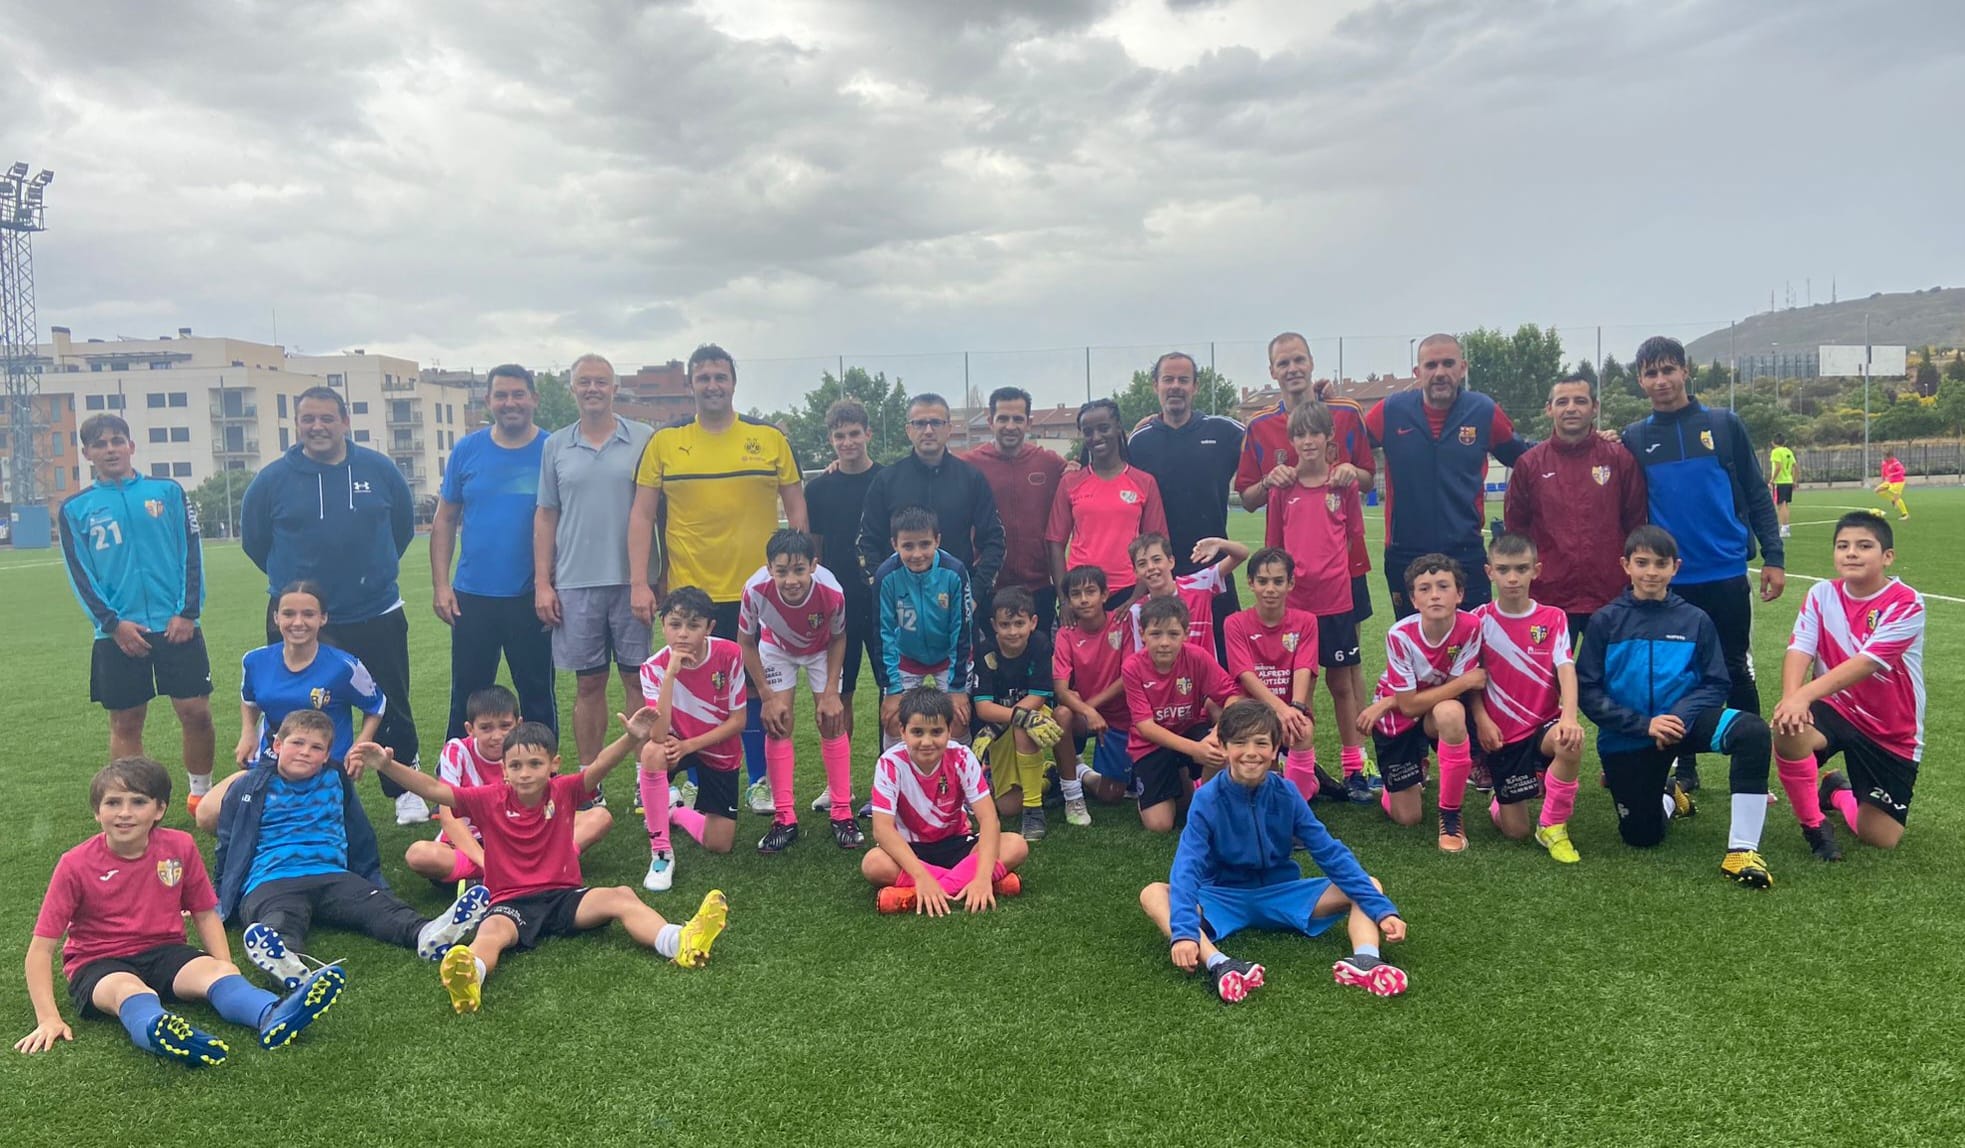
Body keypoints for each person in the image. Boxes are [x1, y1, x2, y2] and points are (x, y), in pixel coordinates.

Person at [347, 714, 730, 1013]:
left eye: (534, 763)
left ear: (553, 764)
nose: (525, 773)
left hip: (564, 898)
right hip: (509, 903)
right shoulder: (487, 799)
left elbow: (599, 767)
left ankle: (679, 941)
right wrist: (387, 766)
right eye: (516, 766)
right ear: (504, 770)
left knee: (621, 896)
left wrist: (631, 738)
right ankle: (469, 978)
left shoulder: (564, 790)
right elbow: (434, 789)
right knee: (490, 934)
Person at [18, 757, 343, 1065]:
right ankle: (159, 1029)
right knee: (128, 990)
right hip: (99, 963)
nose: (124, 813)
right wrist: (48, 1018)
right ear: (97, 812)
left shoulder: (179, 846)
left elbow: (204, 913)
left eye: (138, 802)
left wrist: (226, 966)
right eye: (113, 803)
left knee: (217, 975)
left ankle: (273, 1014)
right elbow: (41, 950)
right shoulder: (75, 864)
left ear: (159, 809)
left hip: (166, 952)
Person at [629, 344, 807, 816]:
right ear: (691, 384)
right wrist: (639, 582)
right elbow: (642, 513)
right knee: (692, 689)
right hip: (691, 596)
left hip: (759, 592)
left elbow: (796, 507)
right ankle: (693, 780)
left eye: (720, 377)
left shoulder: (768, 439)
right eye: (703, 377)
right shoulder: (665, 443)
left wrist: (800, 574)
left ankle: (760, 781)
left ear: (733, 382)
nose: (712, 385)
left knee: (757, 688)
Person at [241, 385, 425, 824]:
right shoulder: (271, 479)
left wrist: (371, 574)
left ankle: (404, 786)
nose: (318, 427)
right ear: (297, 424)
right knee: (294, 705)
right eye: (308, 419)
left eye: (327, 418)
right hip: (302, 617)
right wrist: (299, 593)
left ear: (345, 421)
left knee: (391, 700)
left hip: (374, 609)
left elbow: (400, 530)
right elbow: (255, 542)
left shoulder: (379, 470)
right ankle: (289, 787)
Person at [1139, 703, 1408, 1004]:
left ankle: (1366, 960)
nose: (1251, 753)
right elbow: (1187, 867)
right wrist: (1184, 933)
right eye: (1240, 743)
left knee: (1370, 885)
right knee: (1153, 893)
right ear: (1224, 748)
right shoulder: (1206, 799)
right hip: (1225, 897)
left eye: (1261, 743)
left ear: (1275, 749)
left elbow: (1329, 852)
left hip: (1282, 894)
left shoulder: (1287, 793)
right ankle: (1220, 964)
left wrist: (1383, 910)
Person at [212, 711, 490, 989]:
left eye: (316, 747)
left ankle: (426, 933)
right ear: (277, 745)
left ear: (326, 755)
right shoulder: (249, 785)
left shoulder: (335, 778)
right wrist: (220, 896)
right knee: (280, 917)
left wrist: (373, 879)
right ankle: (284, 958)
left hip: (331, 874)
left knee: (377, 907)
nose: (305, 752)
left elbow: (358, 831)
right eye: (297, 743)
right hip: (271, 879)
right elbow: (227, 842)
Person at [1619, 336, 1784, 794]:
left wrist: (1774, 556)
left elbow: (1757, 493)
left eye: (1668, 370)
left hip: (1725, 572)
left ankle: (1750, 773)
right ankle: (1684, 767)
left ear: (1685, 371)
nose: (1661, 380)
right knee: (1678, 674)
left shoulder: (1723, 424)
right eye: (1651, 373)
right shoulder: (1636, 437)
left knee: (1736, 670)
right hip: (1669, 580)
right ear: (1640, 381)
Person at [1575, 526, 1778, 888]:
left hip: (1685, 725)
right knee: (1642, 836)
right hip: (1629, 736)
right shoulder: (1605, 621)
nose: (1651, 572)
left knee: (1752, 732)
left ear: (1675, 567)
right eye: (1642, 563)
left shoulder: (1695, 620)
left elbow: (1716, 682)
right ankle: (1669, 795)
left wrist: (1679, 717)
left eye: (1661, 563)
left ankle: (1742, 850)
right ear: (1625, 565)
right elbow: (1587, 690)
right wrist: (1644, 724)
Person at [58, 413, 215, 815]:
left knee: (196, 713)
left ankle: (200, 794)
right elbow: (80, 573)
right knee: (127, 721)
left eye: (117, 441)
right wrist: (112, 624)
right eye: (100, 444)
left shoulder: (167, 491)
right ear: (87, 453)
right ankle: (133, 802)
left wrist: (187, 612)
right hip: (119, 632)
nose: (110, 449)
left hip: (176, 624)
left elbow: (191, 552)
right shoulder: (76, 508)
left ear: (131, 446)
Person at [534, 353, 655, 792]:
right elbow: (546, 514)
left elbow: (657, 511)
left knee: (638, 679)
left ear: (614, 388)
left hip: (632, 581)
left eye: (601, 382)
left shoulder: (643, 438)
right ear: (572, 389)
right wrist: (543, 583)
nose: (592, 389)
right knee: (589, 683)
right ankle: (589, 779)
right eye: (584, 382)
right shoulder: (555, 445)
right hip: (575, 582)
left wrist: (652, 578)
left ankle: (647, 775)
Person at [1772, 513, 1925, 854]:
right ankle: (1814, 825)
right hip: (1836, 708)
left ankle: (1837, 792)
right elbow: (1800, 647)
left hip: (1890, 728)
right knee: (1788, 727)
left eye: (1864, 546)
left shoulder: (1906, 602)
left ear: (1887, 556)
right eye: (1843, 546)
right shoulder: (1821, 593)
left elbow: (1867, 663)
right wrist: (1791, 698)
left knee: (1880, 838)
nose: (1851, 553)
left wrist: (1803, 696)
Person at [196, 581, 385, 834]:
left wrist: (359, 747)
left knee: (297, 827)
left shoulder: (344, 666)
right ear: (276, 618)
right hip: (269, 763)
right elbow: (249, 700)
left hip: (322, 767)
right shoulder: (255, 660)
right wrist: (248, 732)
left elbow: (376, 705)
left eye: (308, 614)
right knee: (208, 814)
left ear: (323, 618)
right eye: (288, 614)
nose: (298, 622)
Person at [1363, 333, 1531, 615]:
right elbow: (1346, 443)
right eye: (1431, 365)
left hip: (1465, 550)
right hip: (1405, 551)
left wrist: (1585, 441)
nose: (1440, 372)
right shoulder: (1391, 411)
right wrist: (1326, 404)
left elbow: (1525, 456)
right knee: (1412, 636)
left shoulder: (1483, 411)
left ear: (1462, 368)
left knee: (1471, 635)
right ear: (1417, 372)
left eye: (1448, 363)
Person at [431, 363, 555, 741]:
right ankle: (456, 771)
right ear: (488, 401)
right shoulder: (467, 449)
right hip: (473, 596)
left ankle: (541, 769)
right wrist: (441, 585)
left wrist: (551, 584)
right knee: (467, 696)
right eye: (501, 395)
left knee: (537, 694)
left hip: (531, 594)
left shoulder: (552, 449)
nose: (510, 402)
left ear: (534, 398)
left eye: (518, 394)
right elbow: (445, 518)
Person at [1268, 401, 1375, 801]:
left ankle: (1354, 768)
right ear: (1291, 441)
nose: (1308, 441)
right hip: (1296, 607)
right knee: (1301, 688)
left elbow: (1350, 537)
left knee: (1341, 684)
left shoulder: (1343, 484)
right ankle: (1301, 769)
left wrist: (1327, 573)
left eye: (1315, 432)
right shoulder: (1282, 488)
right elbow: (1275, 546)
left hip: (1336, 601)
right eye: (1300, 434)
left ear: (1329, 435)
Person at [404, 686, 613, 886]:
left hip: (522, 842)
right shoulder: (457, 750)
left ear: (518, 724)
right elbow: (449, 818)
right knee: (419, 855)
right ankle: (532, 871)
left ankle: (509, 874)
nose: (497, 736)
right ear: (470, 729)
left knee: (599, 817)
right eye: (486, 728)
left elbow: (547, 801)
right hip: (471, 845)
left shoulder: (528, 750)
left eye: (505, 726)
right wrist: (487, 862)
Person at [1238, 332, 1377, 625]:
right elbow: (1247, 500)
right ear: (1272, 371)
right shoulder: (1259, 425)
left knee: (1347, 647)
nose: (1292, 369)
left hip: (1342, 565)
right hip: (1290, 570)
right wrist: (1268, 481)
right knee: (1293, 646)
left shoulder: (1346, 413)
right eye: (1283, 363)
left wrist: (1350, 470)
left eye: (1299, 360)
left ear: (1311, 362)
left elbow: (1368, 479)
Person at [1466, 534, 1587, 863]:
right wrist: (1482, 720)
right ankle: (1503, 797)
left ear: (1536, 570)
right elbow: (1472, 681)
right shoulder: (1477, 620)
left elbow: (1566, 669)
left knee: (1569, 741)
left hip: (1544, 724)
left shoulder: (1553, 617)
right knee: (1515, 831)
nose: (1512, 578)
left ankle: (1552, 826)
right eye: (1503, 569)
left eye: (1521, 569)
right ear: (1489, 572)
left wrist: (1569, 717)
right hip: (1503, 736)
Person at [1353, 555, 1486, 849]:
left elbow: (1448, 694)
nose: (1435, 595)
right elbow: (1410, 706)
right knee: (1408, 818)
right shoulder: (1399, 635)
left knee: (1451, 712)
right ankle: (1405, 777)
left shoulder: (1471, 626)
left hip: (1429, 711)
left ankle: (1450, 816)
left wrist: (1396, 701)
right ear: (1414, 600)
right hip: (1396, 720)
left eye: (1443, 586)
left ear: (1459, 594)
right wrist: (1466, 682)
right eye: (1424, 589)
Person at [1503, 375, 1648, 640]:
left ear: (1595, 407)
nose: (1571, 408)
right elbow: (1517, 532)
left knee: (1611, 668)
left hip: (1610, 595)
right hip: (1549, 597)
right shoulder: (1529, 464)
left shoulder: (1619, 458)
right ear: (1549, 409)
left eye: (1580, 401)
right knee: (1551, 669)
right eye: (1562, 402)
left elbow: (1636, 525)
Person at [737, 529, 855, 852]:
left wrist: (831, 692)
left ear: (813, 565)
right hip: (776, 648)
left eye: (799, 570)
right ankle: (784, 817)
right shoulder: (754, 589)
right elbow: (745, 641)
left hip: (820, 649)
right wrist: (766, 696)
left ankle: (842, 813)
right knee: (778, 723)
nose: (791, 580)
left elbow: (838, 638)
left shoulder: (832, 591)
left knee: (832, 721)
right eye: (782, 571)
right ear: (769, 568)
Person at [861, 686, 1028, 915]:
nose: (927, 741)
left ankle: (923, 893)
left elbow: (989, 819)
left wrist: (981, 877)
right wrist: (921, 875)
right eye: (917, 732)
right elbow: (882, 830)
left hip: (957, 843)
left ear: (949, 731)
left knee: (1016, 845)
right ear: (902, 731)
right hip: (911, 851)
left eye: (936, 732)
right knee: (873, 863)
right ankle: (971, 886)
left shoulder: (962, 756)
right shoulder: (889, 763)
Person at [856, 392, 1005, 638]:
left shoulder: (971, 479)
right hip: (902, 612)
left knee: (960, 665)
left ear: (949, 429)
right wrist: (887, 592)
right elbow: (866, 543)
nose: (928, 430)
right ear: (908, 430)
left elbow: (994, 540)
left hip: (956, 606)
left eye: (936, 422)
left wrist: (974, 595)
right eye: (919, 423)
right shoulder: (886, 481)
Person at [1127, 351, 1246, 659]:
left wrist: (1313, 400)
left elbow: (1270, 438)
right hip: (1160, 570)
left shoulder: (1224, 431)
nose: (1175, 386)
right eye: (1168, 379)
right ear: (1155, 385)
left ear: (1196, 386)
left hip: (1212, 567)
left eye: (1183, 379)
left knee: (1225, 656)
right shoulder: (1139, 442)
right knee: (1161, 657)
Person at [634, 587, 749, 891]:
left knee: (720, 843)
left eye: (693, 625)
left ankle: (674, 810)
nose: (683, 634)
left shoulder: (730, 654)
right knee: (652, 752)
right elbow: (658, 734)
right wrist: (670, 676)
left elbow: (738, 721)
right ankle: (661, 853)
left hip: (716, 747)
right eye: (675, 625)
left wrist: (689, 745)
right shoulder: (653, 667)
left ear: (709, 627)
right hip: (673, 743)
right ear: (663, 626)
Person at [1225, 547, 1339, 804]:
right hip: (1252, 709)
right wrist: (1280, 709)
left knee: (1301, 730)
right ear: (1250, 583)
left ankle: (1299, 799)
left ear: (1290, 583)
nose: (1270, 589)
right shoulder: (1235, 622)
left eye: (1278, 581)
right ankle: (1291, 778)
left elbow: (1303, 668)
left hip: (1291, 708)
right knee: (1252, 750)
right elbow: (1245, 674)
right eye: (1263, 581)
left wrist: (1295, 709)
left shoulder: (1306, 621)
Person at [801, 398, 884, 741]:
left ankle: (890, 766)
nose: (847, 442)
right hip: (837, 605)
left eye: (854, 433)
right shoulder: (818, 489)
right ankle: (840, 770)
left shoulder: (886, 480)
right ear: (831, 440)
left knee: (890, 690)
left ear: (868, 434)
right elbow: (815, 550)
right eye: (840, 436)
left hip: (880, 600)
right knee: (838, 693)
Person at [1124, 596, 1238, 833]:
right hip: (1152, 744)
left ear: (1186, 634)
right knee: (1160, 825)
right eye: (1156, 634)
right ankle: (1171, 781)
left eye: (1173, 634)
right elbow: (1145, 726)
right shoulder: (1132, 667)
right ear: (1143, 634)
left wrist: (1215, 735)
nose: (1164, 642)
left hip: (1189, 729)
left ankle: (1207, 803)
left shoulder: (1197, 656)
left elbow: (1233, 697)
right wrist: (1195, 749)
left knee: (1218, 747)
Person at [962, 386, 1067, 633]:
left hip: (1038, 587)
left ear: (1029, 422)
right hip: (988, 587)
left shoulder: (1050, 463)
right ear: (990, 422)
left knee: (1040, 654)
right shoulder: (968, 466)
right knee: (990, 657)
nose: (1010, 426)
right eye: (1003, 419)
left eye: (1018, 419)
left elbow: (1084, 476)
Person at [1046, 397, 1168, 608]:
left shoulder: (1144, 482)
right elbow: (1055, 542)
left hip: (1128, 591)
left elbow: (1157, 544)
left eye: (1103, 428)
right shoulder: (1070, 482)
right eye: (1088, 431)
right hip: (1083, 593)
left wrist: (1136, 597)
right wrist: (1065, 600)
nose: (1096, 437)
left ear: (1118, 427)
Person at [970, 586, 1066, 841]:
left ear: (1032, 622)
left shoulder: (1040, 643)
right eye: (1005, 624)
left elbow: (1038, 697)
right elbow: (983, 708)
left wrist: (1012, 720)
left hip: (1033, 713)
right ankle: (1047, 778)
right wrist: (1006, 721)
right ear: (994, 625)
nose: (1012, 631)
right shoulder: (985, 651)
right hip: (1001, 721)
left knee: (1025, 725)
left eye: (1019, 623)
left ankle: (1034, 811)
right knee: (1008, 807)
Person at [872, 506, 975, 740]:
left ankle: (960, 764)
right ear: (894, 544)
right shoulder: (886, 576)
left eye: (925, 544)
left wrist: (957, 688)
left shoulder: (954, 572)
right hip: (906, 656)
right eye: (908, 546)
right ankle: (897, 765)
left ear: (937, 540)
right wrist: (893, 689)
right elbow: (883, 634)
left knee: (959, 719)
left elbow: (962, 631)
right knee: (894, 720)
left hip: (947, 658)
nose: (917, 554)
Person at [1050, 564, 1137, 812]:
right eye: (1076, 594)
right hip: (1085, 716)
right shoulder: (1066, 634)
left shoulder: (1121, 623)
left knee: (1112, 795)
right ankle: (1072, 795)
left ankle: (1082, 771)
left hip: (1121, 717)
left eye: (1090, 591)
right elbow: (1061, 690)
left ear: (1105, 594)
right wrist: (1088, 712)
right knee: (1061, 714)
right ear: (1068, 601)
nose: (1084, 599)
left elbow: (1127, 677)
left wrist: (1091, 707)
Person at [1126, 532, 1249, 650]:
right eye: (1142, 564)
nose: (1151, 567)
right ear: (1136, 572)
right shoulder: (1137, 611)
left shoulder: (1199, 584)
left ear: (1171, 562)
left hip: (1203, 665)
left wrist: (1219, 543)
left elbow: (1242, 555)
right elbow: (1140, 655)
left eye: (1157, 560)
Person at [1768, 434, 1797, 538]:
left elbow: (1778, 467)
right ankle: (1786, 527)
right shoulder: (1788, 451)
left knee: (1781, 505)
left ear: (1773, 442)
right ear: (1785, 442)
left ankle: (1784, 528)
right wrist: (1794, 480)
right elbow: (1795, 467)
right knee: (1785, 504)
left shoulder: (1775, 452)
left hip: (1780, 482)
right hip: (1788, 481)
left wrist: (1772, 480)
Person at [1875, 451, 1909, 519]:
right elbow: (1883, 471)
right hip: (1889, 481)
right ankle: (1893, 499)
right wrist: (1883, 479)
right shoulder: (1884, 462)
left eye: (1886, 457)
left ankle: (1905, 514)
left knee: (1896, 497)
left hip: (1898, 482)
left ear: (1891, 457)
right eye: (1884, 457)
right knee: (1877, 490)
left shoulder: (1896, 463)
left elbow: (1903, 471)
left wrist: (1893, 474)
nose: (1884, 459)